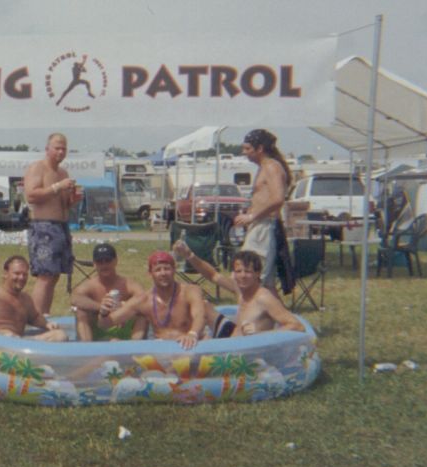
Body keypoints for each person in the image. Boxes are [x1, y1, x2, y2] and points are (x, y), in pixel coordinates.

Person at [173, 241, 303, 334]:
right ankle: (184, 338)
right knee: (203, 306)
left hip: (249, 351)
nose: (242, 276)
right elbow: (213, 275)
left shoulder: (264, 298)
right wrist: (189, 255)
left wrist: (262, 335)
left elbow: (296, 325)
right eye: (238, 271)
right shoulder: (240, 289)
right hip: (232, 337)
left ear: (257, 273)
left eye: (248, 272)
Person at [23, 133, 83, 315]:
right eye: (57, 148)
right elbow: (31, 195)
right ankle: (35, 318)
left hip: (61, 227)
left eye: (64, 148)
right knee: (45, 275)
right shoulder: (37, 168)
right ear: (47, 149)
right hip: (43, 227)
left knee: (54, 275)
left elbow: (62, 204)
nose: (61, 152)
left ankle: (44, 316)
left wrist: (73, 199)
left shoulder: (63, 173)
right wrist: (57, 187)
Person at [98, 251, 206, 350]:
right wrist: (103, 312)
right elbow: (105, 324)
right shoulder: (144, 300)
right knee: (113, 342)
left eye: (167, 269)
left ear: (174, 270)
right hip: (161, 350)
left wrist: (192, 334)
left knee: (206, 339)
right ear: (150, 274)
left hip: (188, 346)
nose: (163, 273)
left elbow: (199, 315)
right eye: (158, 270)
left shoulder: (190, 291)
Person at [233, 129, 292, 297]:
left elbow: (278, 199)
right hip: (260, 225)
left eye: (247, 149)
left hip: (264, 227)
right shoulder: (263, 167)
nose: (244, 152)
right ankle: (281, 314)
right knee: (266, 284)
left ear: (260, 149)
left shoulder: (272, 167)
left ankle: (253, 311)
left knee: (249, 276)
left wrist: (252, 216)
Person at [70, 243, 148, 341]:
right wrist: (102, 307)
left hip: (123, 328)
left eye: (108, 260)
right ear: (94, 264)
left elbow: (143, 298)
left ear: (115, 261)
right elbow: (75, 299)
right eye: (100, 262)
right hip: (98, 329)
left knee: (143, 314)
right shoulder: (90, 285)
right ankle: (87, 347)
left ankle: (136, 345)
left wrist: (124, 309)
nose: (104, 265)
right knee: (81, 312)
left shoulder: (127, 284)